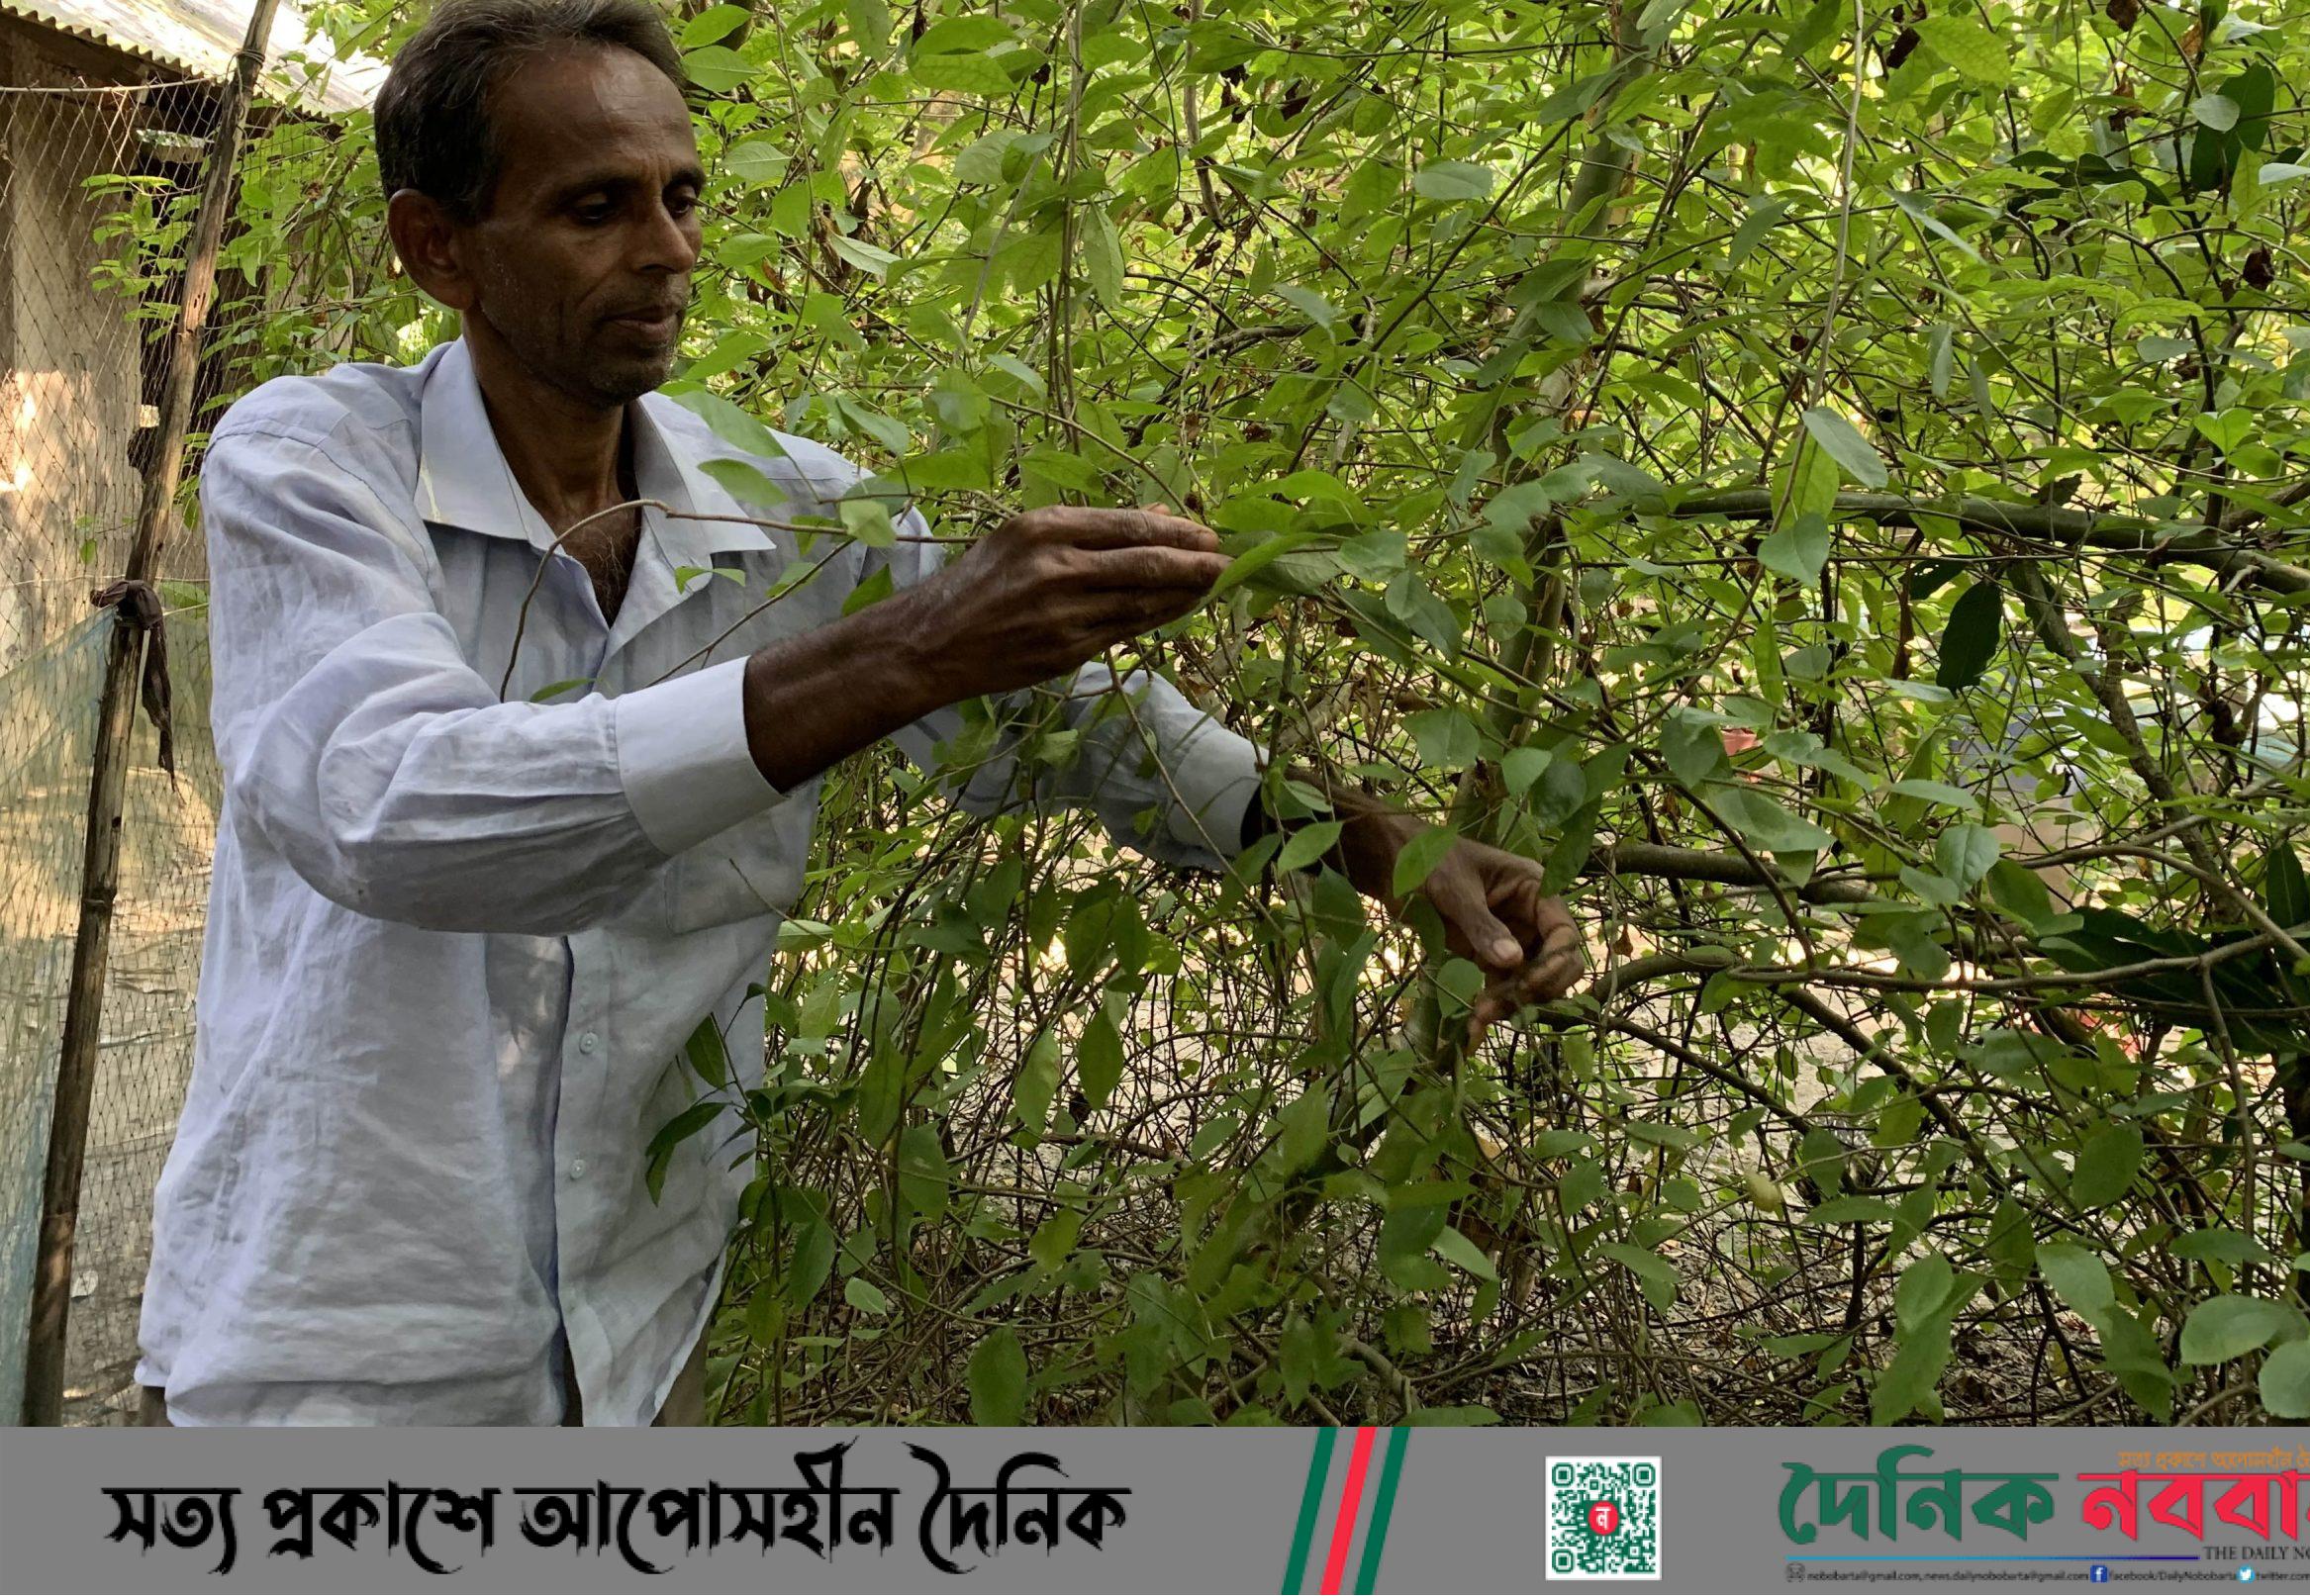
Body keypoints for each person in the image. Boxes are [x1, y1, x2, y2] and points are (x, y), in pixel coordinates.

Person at [133, 0, 1584, 1426]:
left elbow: (1075, 724)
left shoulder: (788, 508)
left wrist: (1390, 851)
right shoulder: (318, 462)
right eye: (596, 208)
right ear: (435, 246)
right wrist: (903, 651)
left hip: (639, 1338)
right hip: (348, 1352)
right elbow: (390, 807)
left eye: (683, 196)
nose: (670, 250)